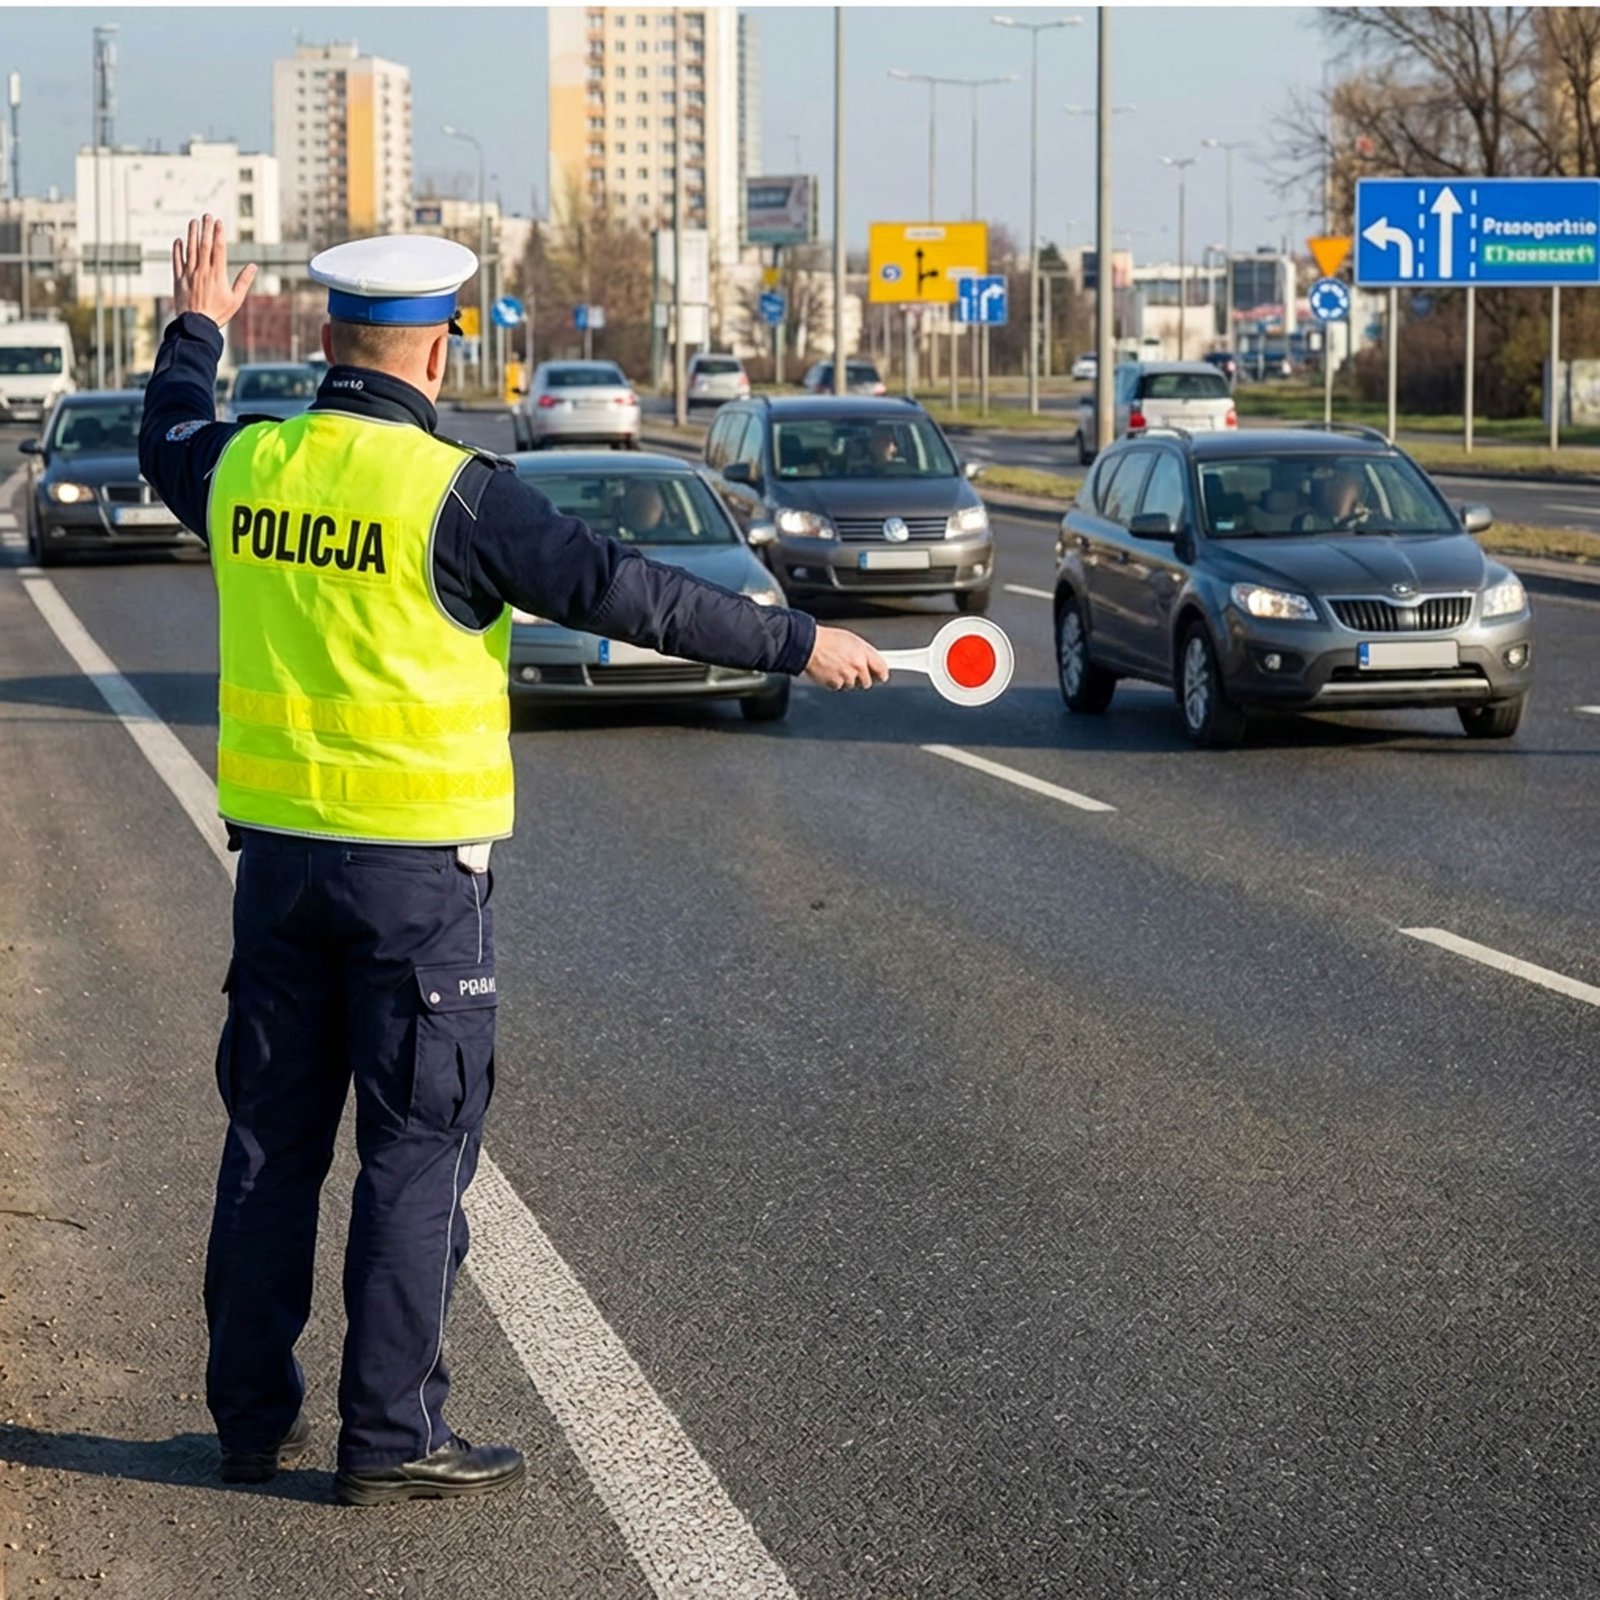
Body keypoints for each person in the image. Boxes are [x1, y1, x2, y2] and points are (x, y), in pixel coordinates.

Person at [137, 217, 888, 1508]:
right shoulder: (459, 496)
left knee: (269, 1144)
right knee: (416, 1150)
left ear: (327, 344)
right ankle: (388, 1434)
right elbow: (627, 593)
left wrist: (197, 323)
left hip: (276, 869)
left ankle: (250, 1424)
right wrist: (794, 641)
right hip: (418, 886)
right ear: (437, 352)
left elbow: (167, 439)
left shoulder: (251, 467)